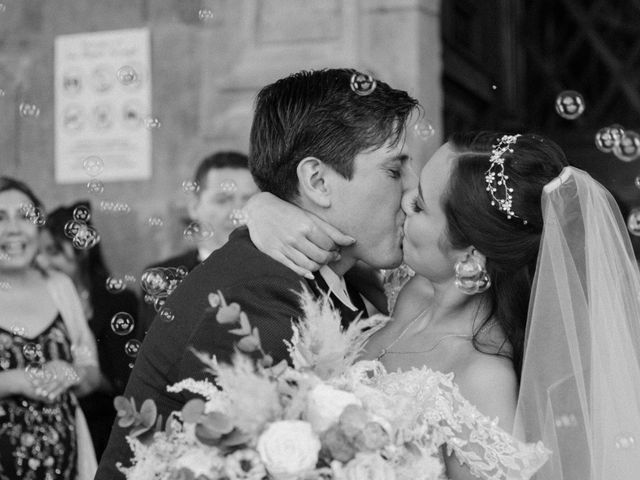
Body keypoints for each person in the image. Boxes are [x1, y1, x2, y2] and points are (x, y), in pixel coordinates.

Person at [246, 131, 640, 479]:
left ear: (469, 259)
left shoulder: (482, 377)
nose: (402, 203)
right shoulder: (409, 287)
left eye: (419, 206)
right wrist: (262, 207)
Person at [95, 68, 419, 480]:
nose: (412, 193)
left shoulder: (355, 277)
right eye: (394, 171)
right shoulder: (257, 294)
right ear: (318, 181)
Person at [0, 177, 101, 480]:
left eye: (25, 217)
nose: (14, 229)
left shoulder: (60, 286)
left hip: (66, 467)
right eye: (0, 218)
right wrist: (12, 381)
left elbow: (91, 374)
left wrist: (69, 373)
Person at [37, 201, 140, 460]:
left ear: (81, 251)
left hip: (107, 425)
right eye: (41, 252)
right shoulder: (43, 301)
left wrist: (83, 374)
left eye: (53, 251)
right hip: (54, 421)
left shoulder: (118, 301)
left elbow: (125, 380)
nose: (44, 261)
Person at [137, 150, 259, 335]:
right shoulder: (162, 278)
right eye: (223, 200)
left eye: (247, 199)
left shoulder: (277, 272)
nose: (237, 212)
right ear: (194, 206)